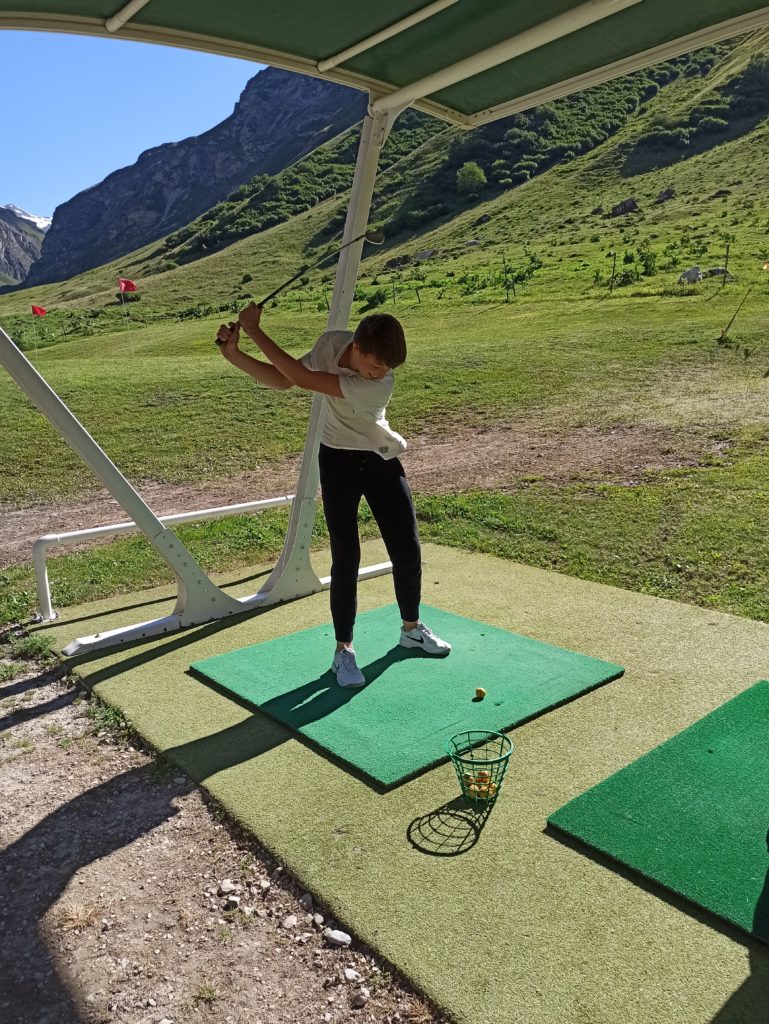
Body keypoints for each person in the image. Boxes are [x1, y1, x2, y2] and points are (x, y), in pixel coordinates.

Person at [216, 302, 451, 687]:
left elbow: (306, 380)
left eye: (386, 370)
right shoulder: (331, 345)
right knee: (346, 557)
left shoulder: (378, 385)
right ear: (356, 348)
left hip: (379, 458)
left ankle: (411, 629)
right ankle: (344, 651)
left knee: (407, 547)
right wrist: (236, 354)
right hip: (338, 462)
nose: (382, 374)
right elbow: (285, 379)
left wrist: (256, 331)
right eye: (375, 365)